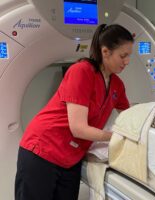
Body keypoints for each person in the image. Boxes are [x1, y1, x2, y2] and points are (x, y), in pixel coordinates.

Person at [15, 24, 134, 200]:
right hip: (43, 149)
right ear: (105, 51)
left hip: (72, 158)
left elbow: (130, 116)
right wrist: (116, 136)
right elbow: (78, 128)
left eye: (129, 56)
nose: (127, 61)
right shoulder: (82, 71)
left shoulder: (117, 84)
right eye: (123, 56)